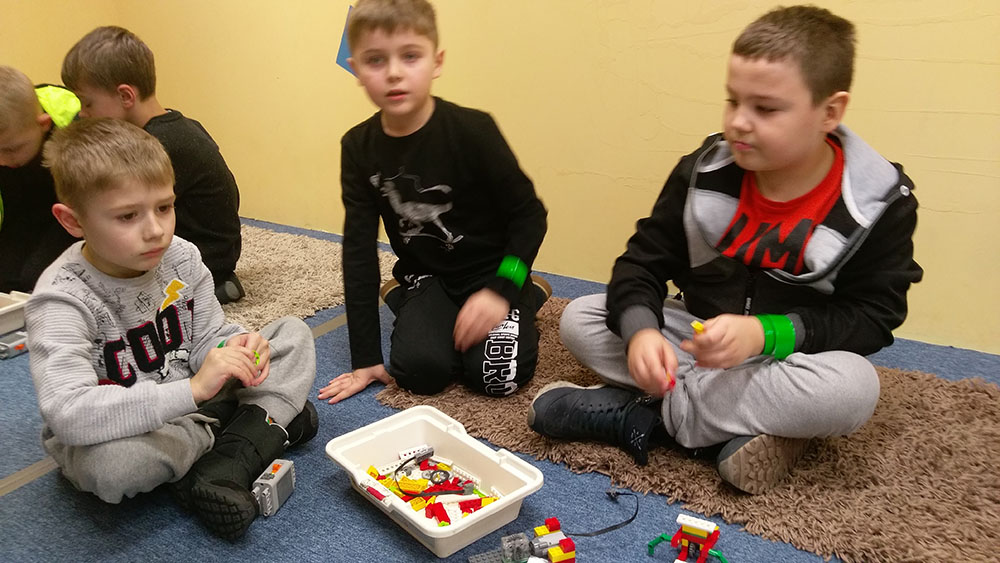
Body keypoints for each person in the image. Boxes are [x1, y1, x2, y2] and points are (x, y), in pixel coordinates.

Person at [528, 5, 922, 494]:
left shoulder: (879, 203)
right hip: (698, 340)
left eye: (766, 109)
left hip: (791, 357)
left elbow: (873, 317)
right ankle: (749, 427)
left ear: (830, 112)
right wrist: (642, 333)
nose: (738, 122)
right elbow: (640, 263)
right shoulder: (703, 171)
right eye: (733, 101)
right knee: (581, 317)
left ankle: (645, 418)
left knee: (854, 389)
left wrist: (764, 334)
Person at [27, 118, 318, 539]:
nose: (156, 230)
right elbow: (69, 414)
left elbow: (207, 335)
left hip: (197, 400)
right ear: (73, 221)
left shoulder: (182, 256)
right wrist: (194, 391)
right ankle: (258, 431)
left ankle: (226, 454)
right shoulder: (61, 299)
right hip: (132, 426)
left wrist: (236, 345)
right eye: (128, 216)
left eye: (164, 207)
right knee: (109, 468)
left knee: (292, 334)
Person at [318, 0, 549, 405]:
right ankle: (406, 295)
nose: (393, 72)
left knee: (496, 377)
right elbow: (358, 252)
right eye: (375, 60)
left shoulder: (474, 130)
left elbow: (530, 217)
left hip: (493, 271)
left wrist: (501, 290)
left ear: (436, 62)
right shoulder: (357, 146)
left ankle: (527, 294)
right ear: (356, 69)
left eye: (410, 56)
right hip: (427, 275)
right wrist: (366, 358)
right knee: (417, 373)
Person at [61, 26, 246, 304]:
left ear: (126, 96)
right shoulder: (177, 127)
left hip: (206, 260)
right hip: (218, 251)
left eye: (87, 104)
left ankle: (212, 289)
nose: (82, 114)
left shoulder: (157, 146)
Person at [0, 65, 79, 292]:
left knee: (34, 278)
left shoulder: (75, 130)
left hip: (69, 220)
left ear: (43, 124)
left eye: (11, 149)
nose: (2, 160)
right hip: (16, 219)